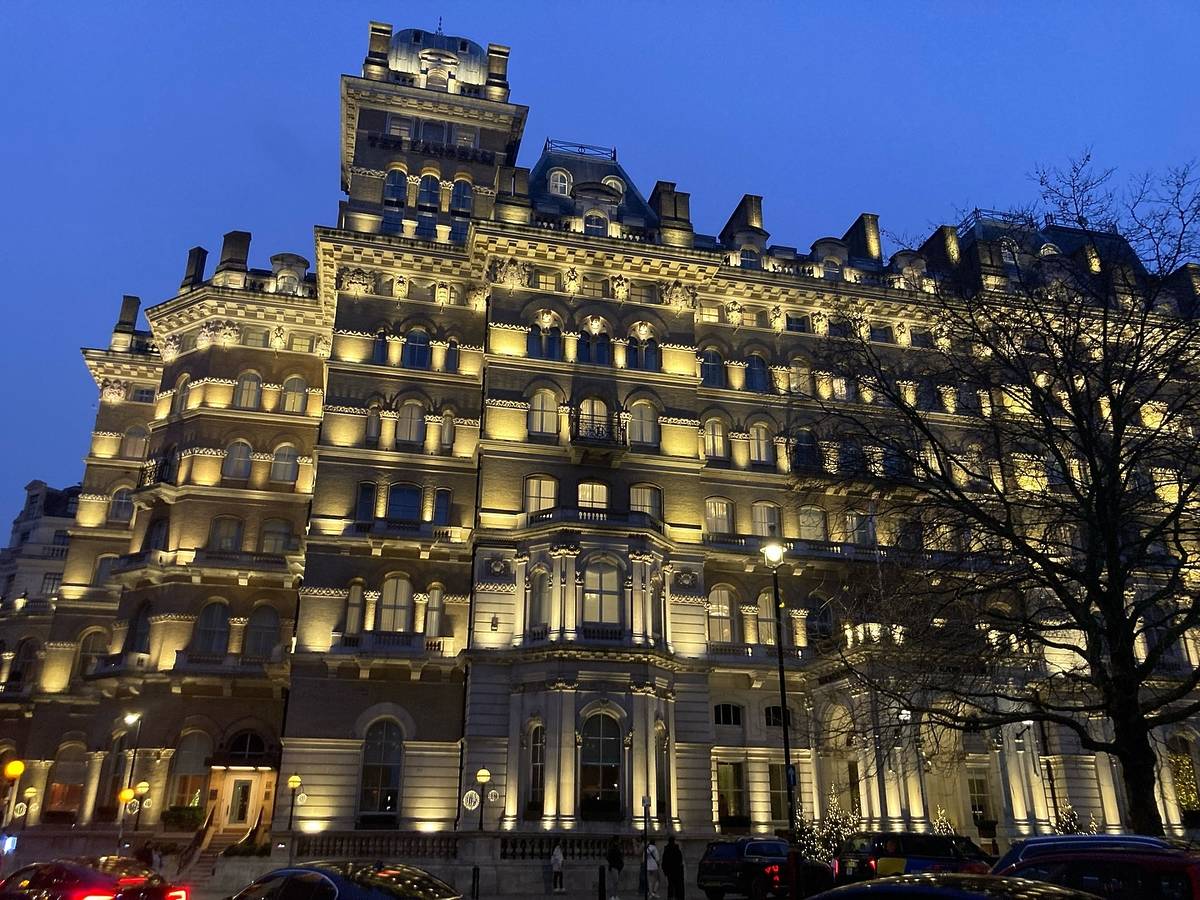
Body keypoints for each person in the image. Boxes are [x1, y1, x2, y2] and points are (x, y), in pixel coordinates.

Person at [662, 835, 684, 900]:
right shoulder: (677, 849)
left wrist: (665, 871)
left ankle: (671, 897)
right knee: (677, 885)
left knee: (670, 885)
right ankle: (677, 896)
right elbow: (680, 860)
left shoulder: (666, 850)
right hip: (677, 871)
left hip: (670, 871)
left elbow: (664, 861)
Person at [607, 835, 625, 900]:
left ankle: (615, 895)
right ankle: (612, 896)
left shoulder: (617, 847)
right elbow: (608, 857)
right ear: (616, 840)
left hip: (617, 867)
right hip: (614, 866)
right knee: (614, 882)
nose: (620, 840)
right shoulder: (613, 848)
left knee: (616, 882)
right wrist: (615, 863)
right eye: (619, 839)